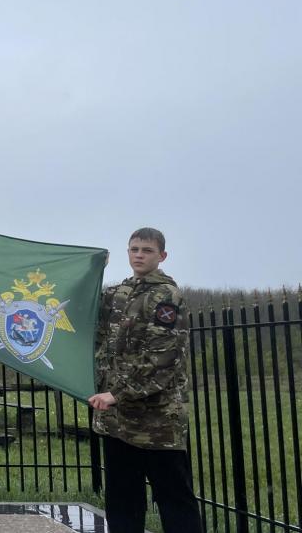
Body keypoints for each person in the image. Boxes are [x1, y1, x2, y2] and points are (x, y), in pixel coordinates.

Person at [88, 228, 203, 533]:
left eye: (147, 250)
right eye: (134, 249)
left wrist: (117, 393)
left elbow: (163, 360)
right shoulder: (117, 294)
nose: (139, 255)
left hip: (157, 422)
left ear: (161, 256)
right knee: (123, 500)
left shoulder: (167, 297)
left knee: (174, 498)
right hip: (117, 421)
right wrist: (88, 269)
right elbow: (89, 326)